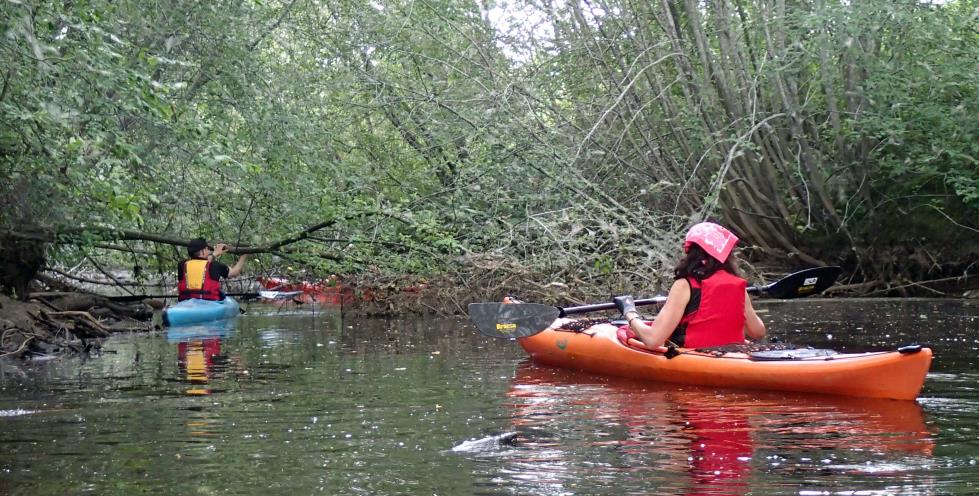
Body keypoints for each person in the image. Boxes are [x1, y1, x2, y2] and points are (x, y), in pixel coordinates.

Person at [614, 222, 765, 348]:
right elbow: (758, 332)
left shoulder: (684, 285)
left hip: (697, 358)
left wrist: (629, 312)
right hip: (732, 356)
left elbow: (653, 340)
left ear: (691, 251)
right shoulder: (737, 286)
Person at [177, 238, 248, 301]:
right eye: (208, 248)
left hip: (186, 302)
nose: (210, 251)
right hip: (209, 303)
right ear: (203, 251)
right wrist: (244, 255)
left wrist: (215, 254)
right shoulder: (215, 265)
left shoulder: (182, 265)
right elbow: (235, 272)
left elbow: (201, 262)